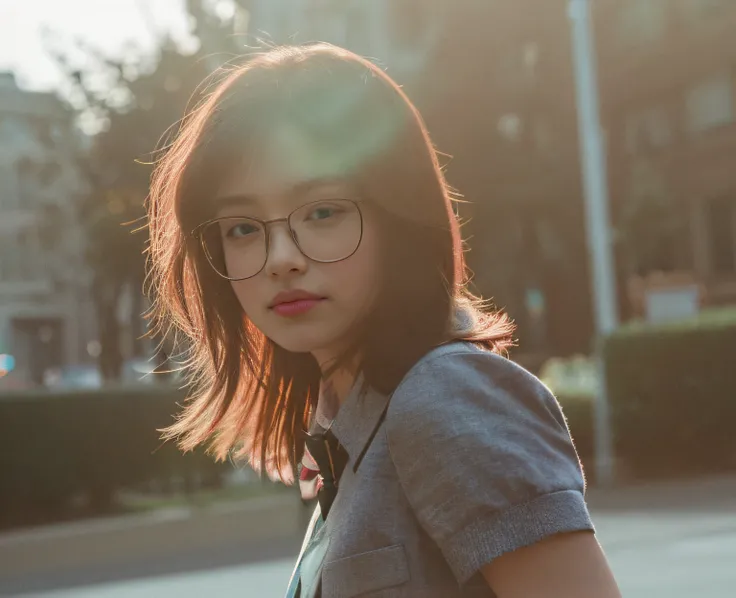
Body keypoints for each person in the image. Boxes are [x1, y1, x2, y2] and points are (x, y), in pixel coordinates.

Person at [147, 43, 621, 598]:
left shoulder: (444, 396)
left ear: (398, 218)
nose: (281, 258)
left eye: (323, 212)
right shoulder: (343, 432)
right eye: (242, 228)